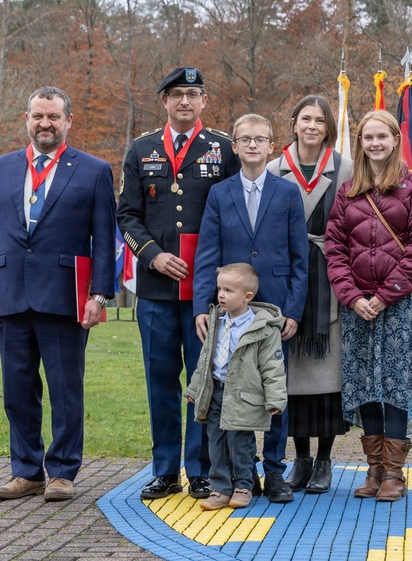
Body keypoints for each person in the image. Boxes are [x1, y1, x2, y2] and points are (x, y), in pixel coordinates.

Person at [0, 86, 115, 501]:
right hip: (12, 296)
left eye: (53, 116)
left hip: (65, 298)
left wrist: (100, 295)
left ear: (68, 121)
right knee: (17, 390)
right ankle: (26, 471)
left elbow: (104, 240)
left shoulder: (92, 170)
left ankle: (63, 472)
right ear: (27, 119)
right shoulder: (0, 168)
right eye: (38, 116)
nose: (45, 124)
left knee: (66, 389)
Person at [117, 67, 240, 500]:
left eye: (192, 94)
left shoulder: (224, 150)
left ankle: (201, 468)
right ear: (164, 101)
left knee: (205, 379)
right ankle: (165, 469)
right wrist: (152, 254)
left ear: (204, 101)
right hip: (155, 290)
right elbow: (126, 215)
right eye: (176, 95)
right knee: (161, 380)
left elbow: (235, 214)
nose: (184, 101)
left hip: (207, 293)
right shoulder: (142, 149)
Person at [192, 113, 309, 504]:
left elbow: (299, 257)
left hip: (273, 308)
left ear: (272, 145)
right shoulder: (220, 194)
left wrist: (292, 310)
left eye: (260, 139)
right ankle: (237, 476)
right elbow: (207, 254)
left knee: (274, 389)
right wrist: (202, 306)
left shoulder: (288, 193)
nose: (253, 146)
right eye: (245, 140)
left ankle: (274, 471)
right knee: (231, 392)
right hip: (230, 311)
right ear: (235, 146)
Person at [325, 110, 412, 503]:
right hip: (357, 306)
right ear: (360, 142)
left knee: (395, 386)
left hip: (396, 305)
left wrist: (384, 296)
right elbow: (335, 248)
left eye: (381, 137)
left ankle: (394, 473)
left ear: (394, 140)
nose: (374, 144)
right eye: (368, 137)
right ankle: (372, 469)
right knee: (366, 384)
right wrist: (352, 296)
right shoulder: (349, 189)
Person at [266, 95, 353, 494]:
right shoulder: (272, 169)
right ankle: (299, 458)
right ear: (294, 123)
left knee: (326, 376)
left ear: (328, 127)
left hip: (330, 280)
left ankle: (323, 460)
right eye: (305, 119)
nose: (312, 126)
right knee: (291, 376)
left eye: (320, 120)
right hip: (286, 281)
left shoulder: (346, 169)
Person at [185, 263, 287, 510]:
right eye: (220, 289)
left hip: (244, 395)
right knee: (216, 443)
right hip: (216, 392)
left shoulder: (262, 327)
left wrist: (275, 398)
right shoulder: (216, 321)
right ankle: (220, 488)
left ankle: (243, 485)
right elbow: (205, 359)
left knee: (240, 443)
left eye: (229, 290)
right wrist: (194, 388)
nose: (221, 294)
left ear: (247, 296)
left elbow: (272, 366)